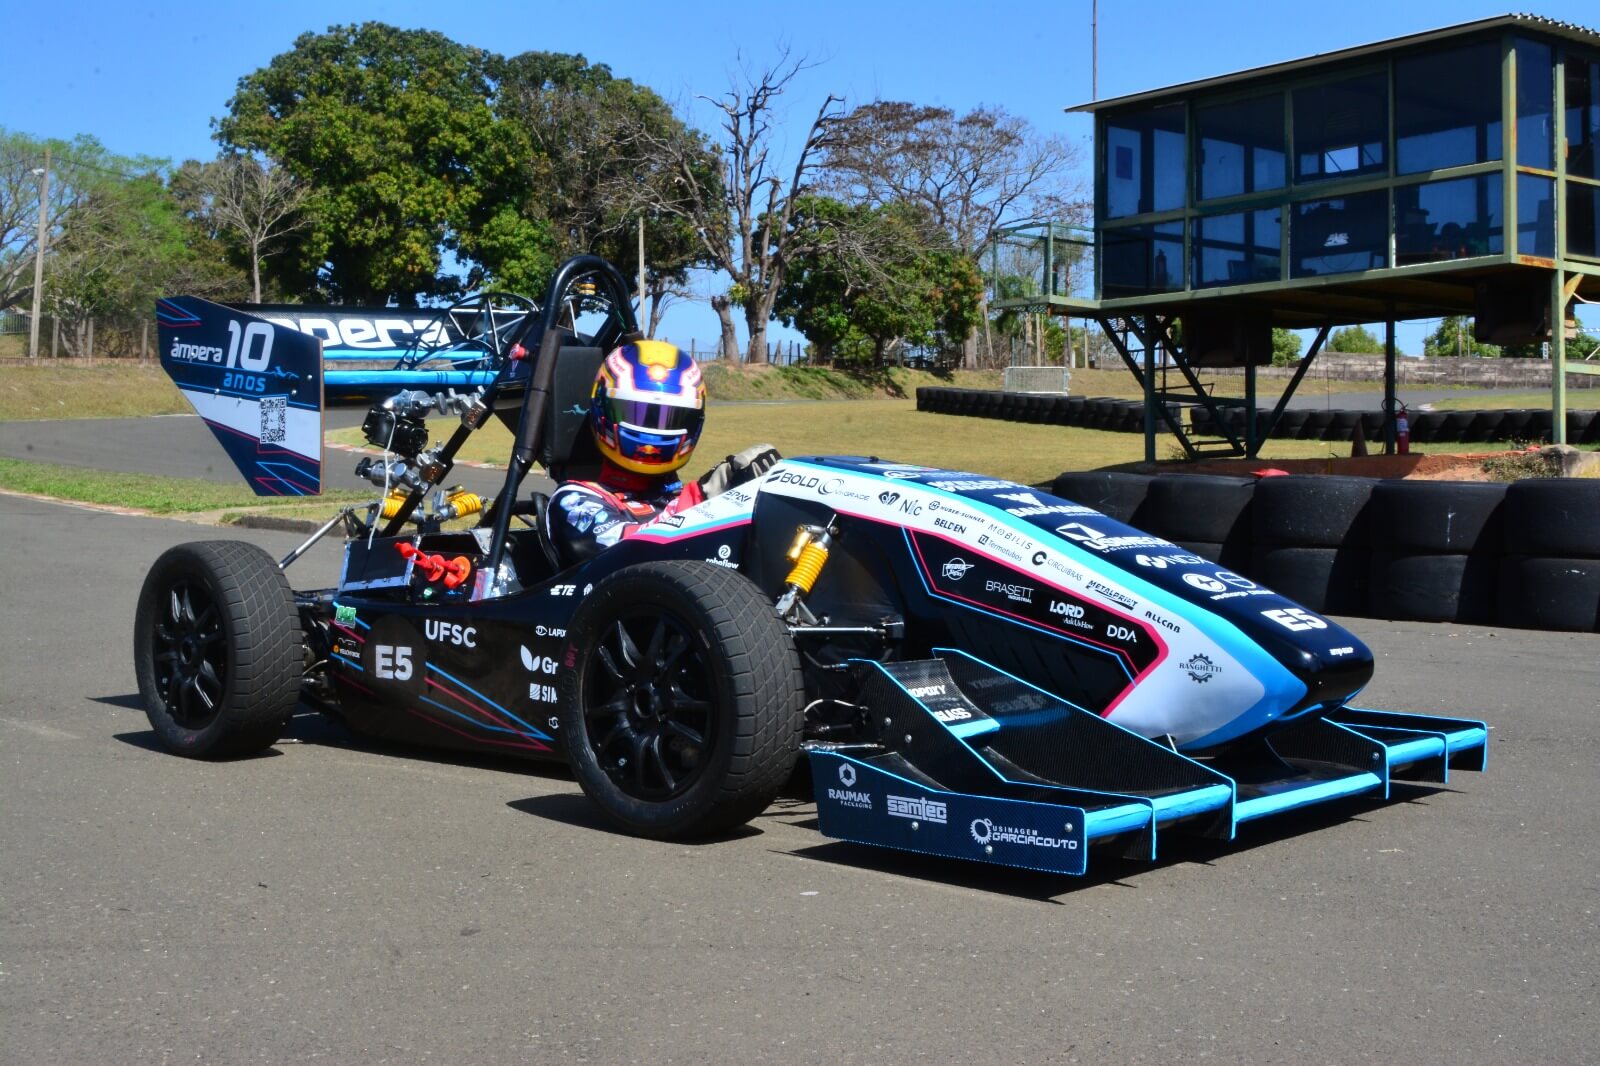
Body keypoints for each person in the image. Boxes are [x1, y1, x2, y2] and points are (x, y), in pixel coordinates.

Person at [548, 340, 707, 564]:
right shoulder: (573, 500)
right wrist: (701, 497)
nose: (652, 431)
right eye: (637, 413)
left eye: (669, 417)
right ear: (602, 412)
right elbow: (629, 551)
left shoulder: (676, 498)